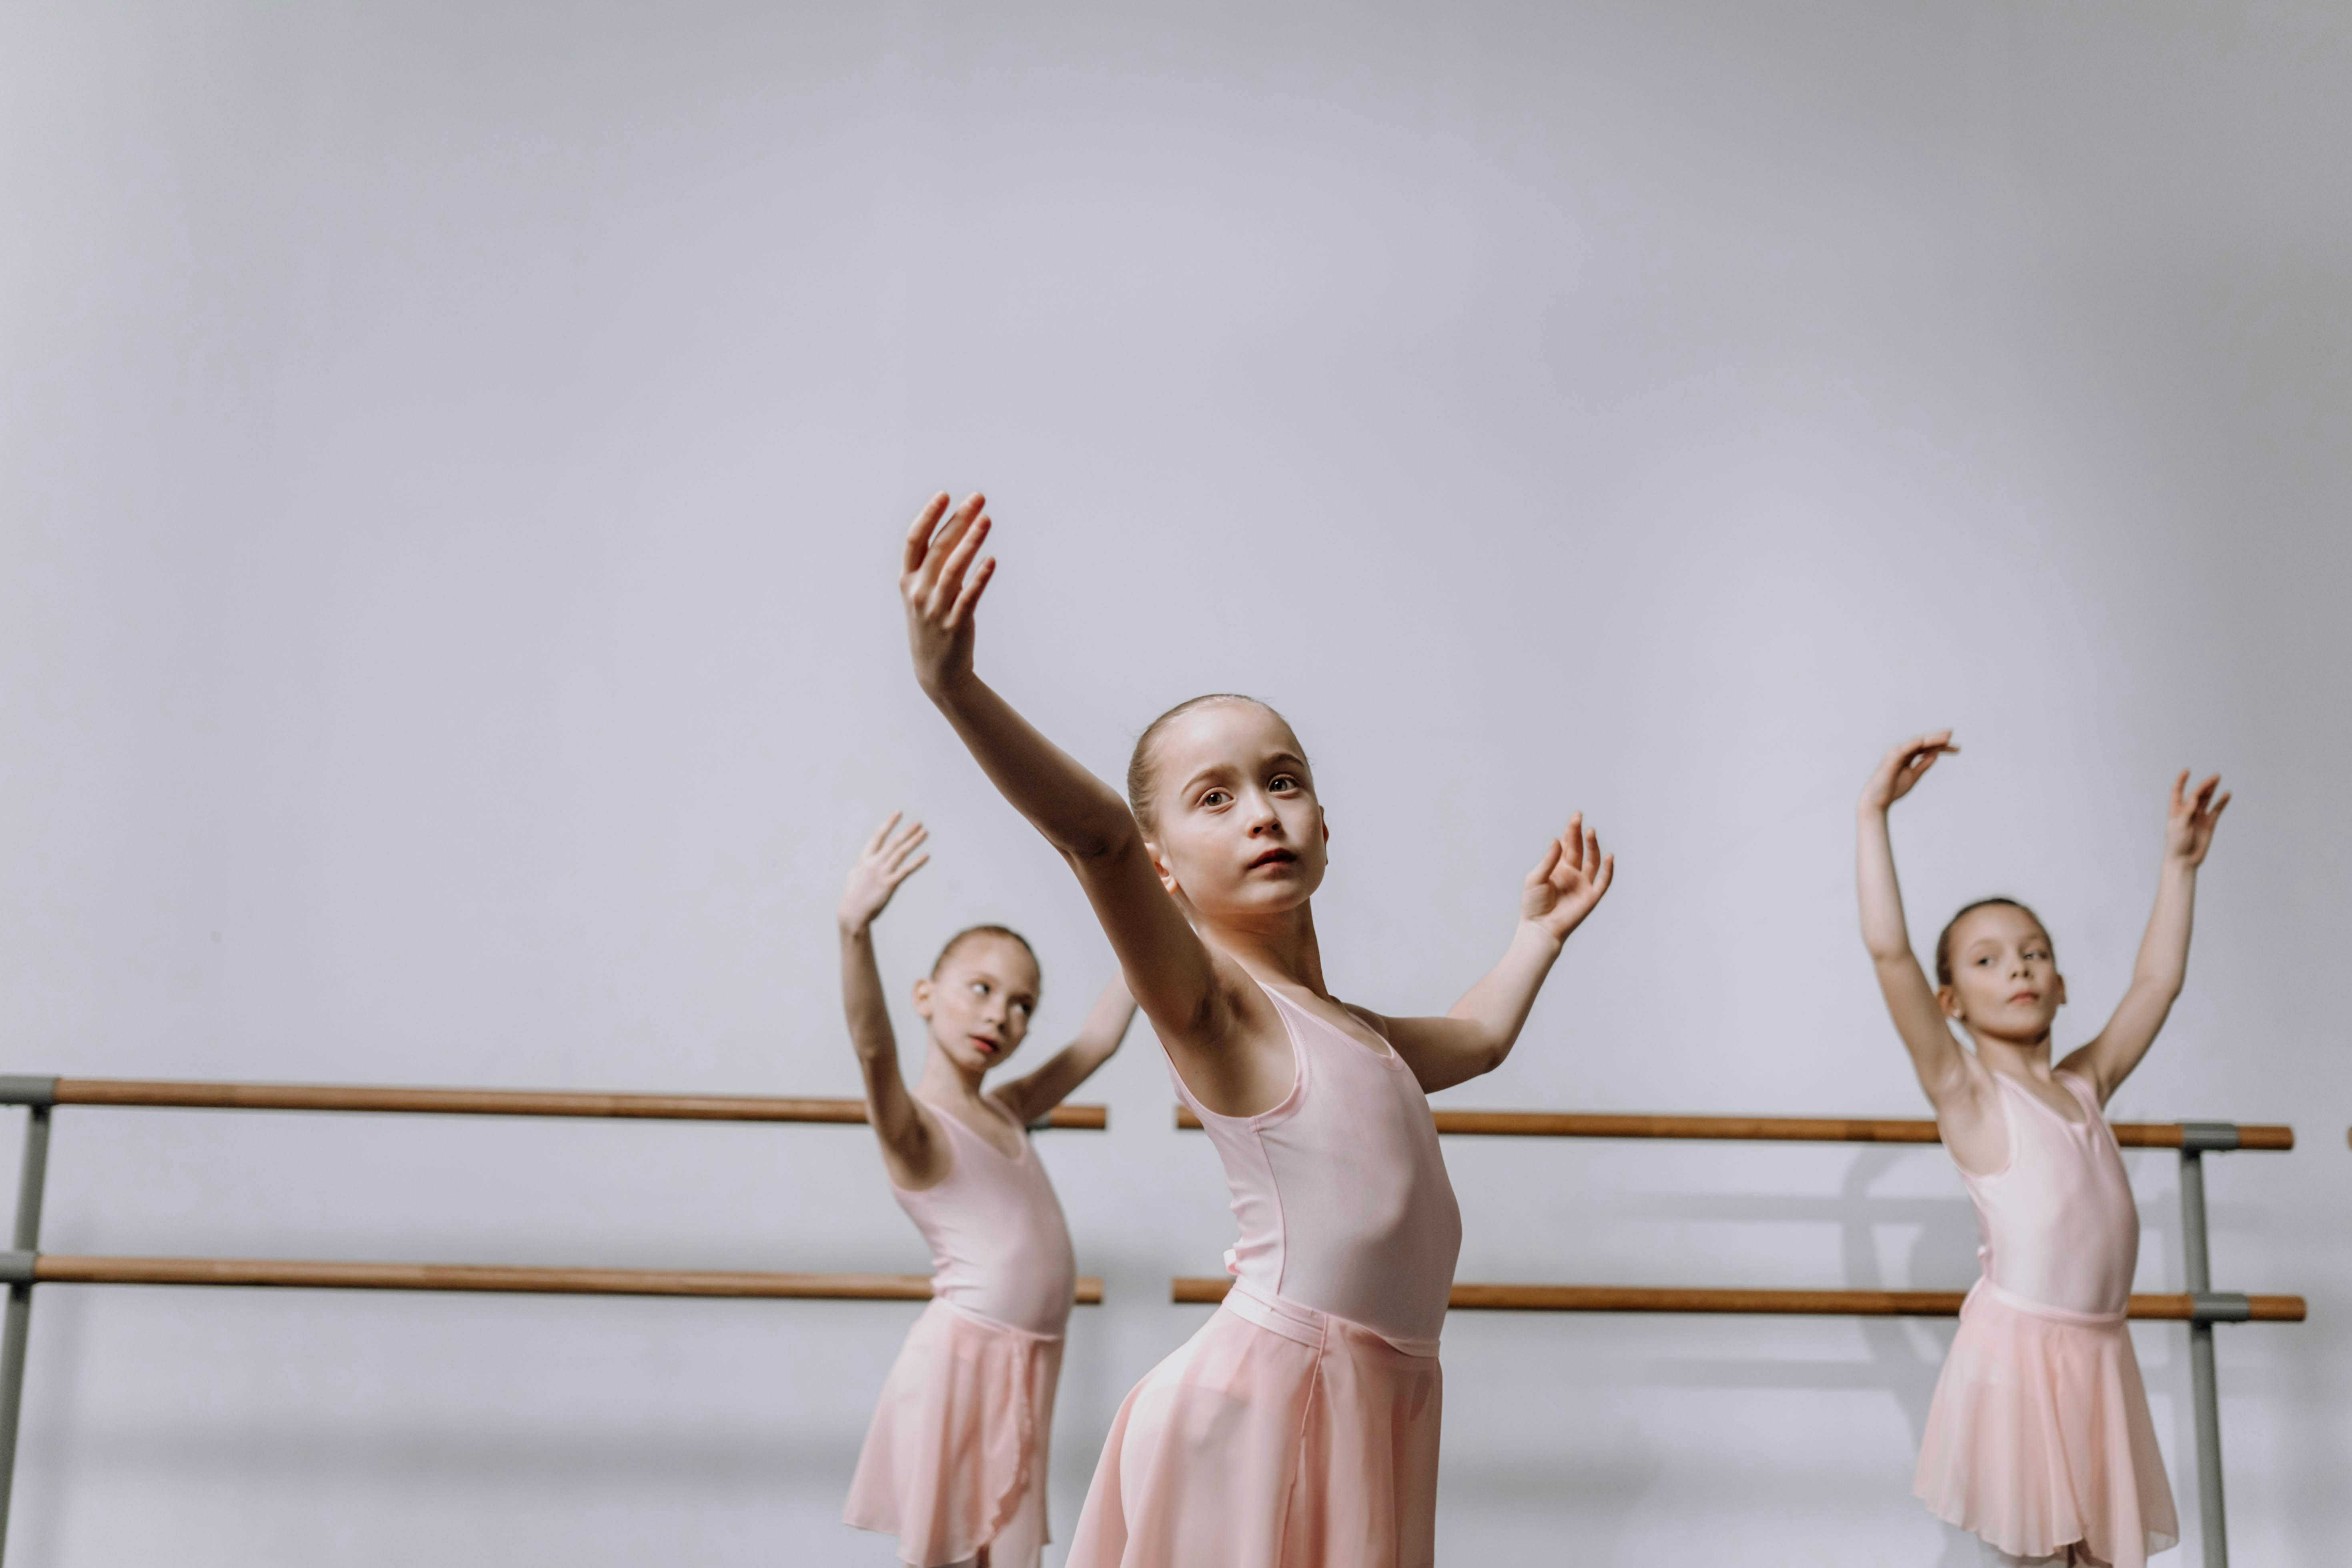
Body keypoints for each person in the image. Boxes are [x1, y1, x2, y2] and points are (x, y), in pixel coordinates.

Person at [896, 491, 1615, 1567]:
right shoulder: (1215, 1008)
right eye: (1213, 798)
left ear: (1324, 823)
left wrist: (1537, 936)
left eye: (1281, 783)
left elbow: (1477, 1036)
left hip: (1383, 1387)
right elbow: (1092, 836)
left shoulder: (1349, 1030)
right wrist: (952, 687)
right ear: (1161, 864)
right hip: (1277, 1395)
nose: (1260, 813)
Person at [1857, 731, 2226, 1567]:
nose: (2017, 968)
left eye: (2033, 953)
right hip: (2021, 1358)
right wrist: (1872, 812)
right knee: (2038, 1558)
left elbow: (2155, 984)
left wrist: (2178, 866)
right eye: (1987, 960)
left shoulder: (2085, 1083)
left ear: (2059, 984)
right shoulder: (1968, 1094)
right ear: (1949, 998)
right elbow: (1888, 953)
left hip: (2098, 1353)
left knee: (2098, 1558)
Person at [837, 809, 1138, 1568]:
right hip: (962, 1367)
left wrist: (1157, 908)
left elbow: (1100, 1039)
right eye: (981, 988)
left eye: (1022, 1005)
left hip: (1030, 1365)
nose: (1000, 1015)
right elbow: (874, 1050)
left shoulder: (1008, 1109)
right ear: (925, 995)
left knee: (1007, 1557)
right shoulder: (918, 1133)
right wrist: (854, 929)